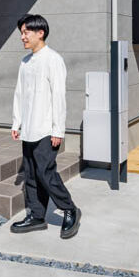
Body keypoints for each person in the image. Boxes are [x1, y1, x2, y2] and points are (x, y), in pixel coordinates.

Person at [9, 14, 81, 239]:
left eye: (26, 32)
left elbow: (59, 97)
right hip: (28, 129)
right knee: (31, 174)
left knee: (45, 173)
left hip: (46, 130)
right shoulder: (25, 62)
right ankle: (37, 216)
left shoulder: (53, 59)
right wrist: (17, 122)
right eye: (21, 33)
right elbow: (19, 94)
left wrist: (58, 129)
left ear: (40, 33)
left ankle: (69, 209)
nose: (22, 37)